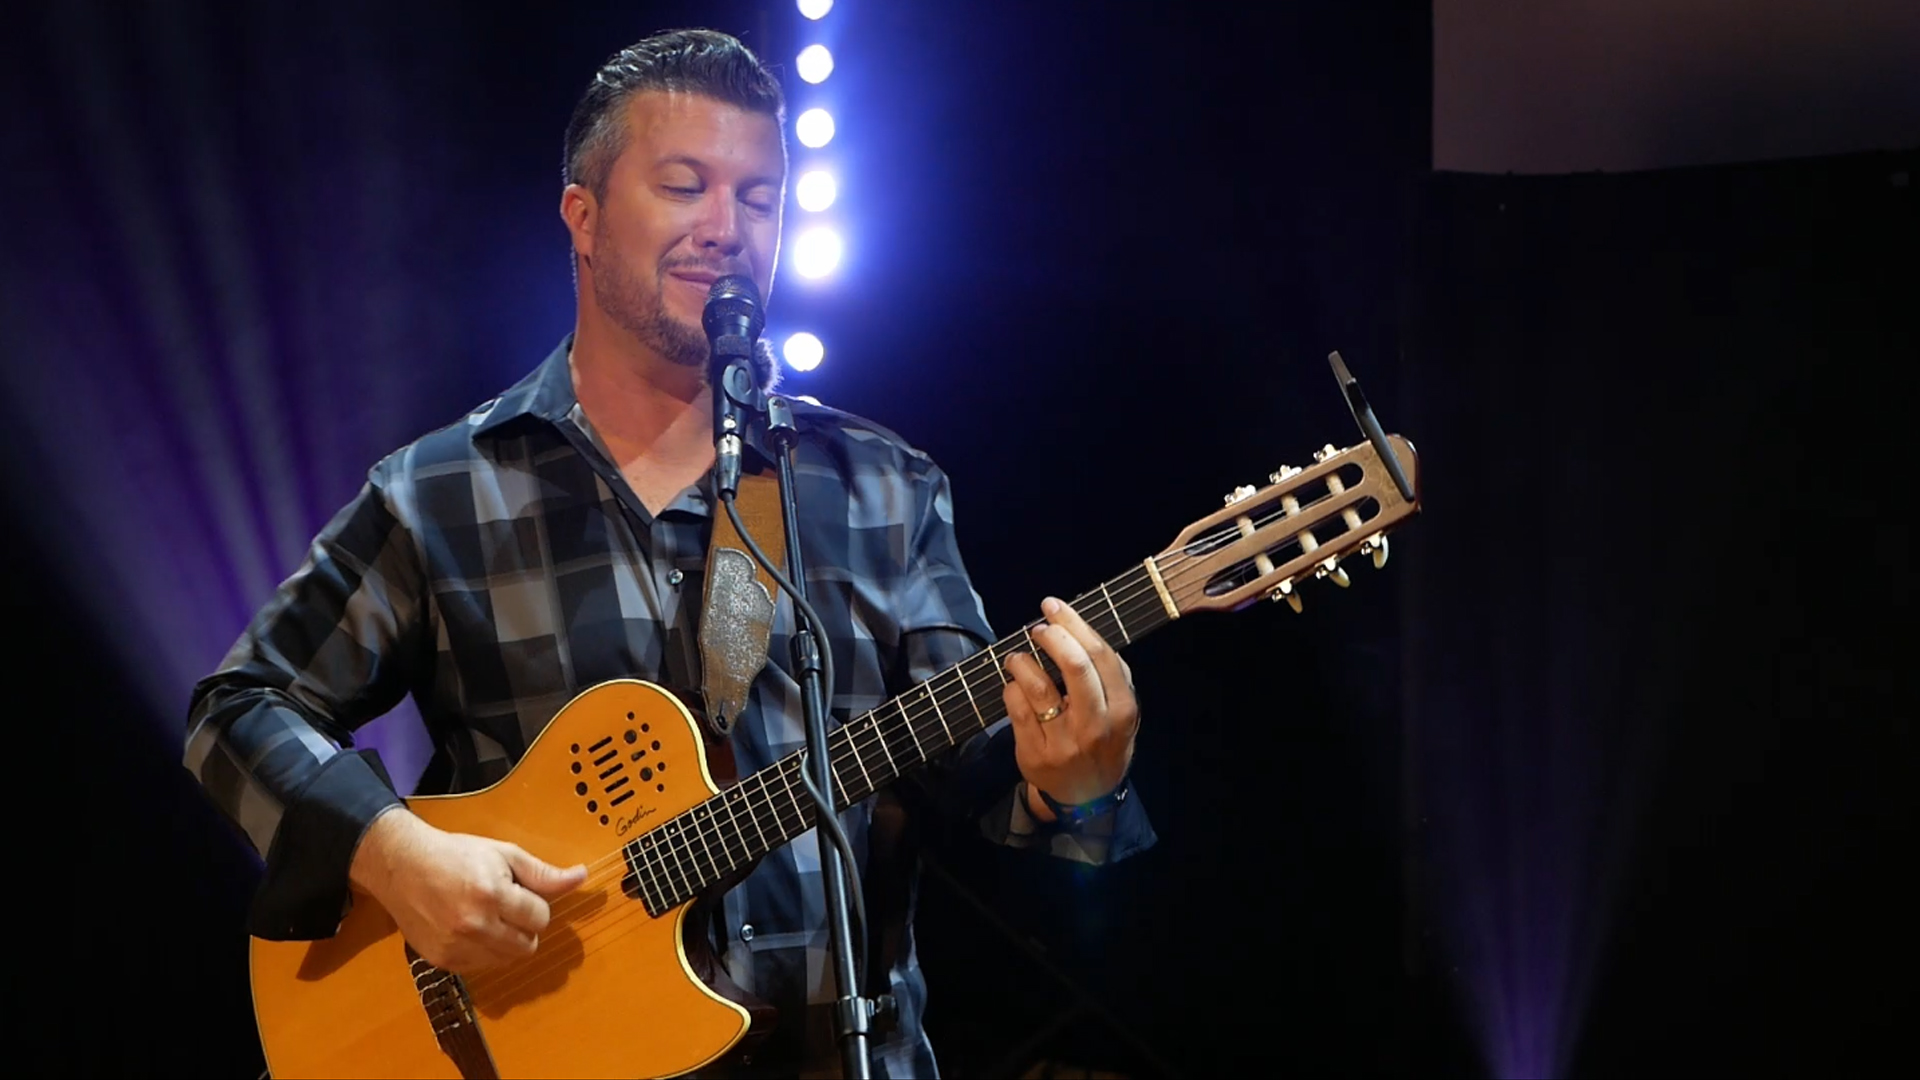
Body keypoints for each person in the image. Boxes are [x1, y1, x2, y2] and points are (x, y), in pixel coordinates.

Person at [184, 27, 1154, 1079]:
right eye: (684, 185)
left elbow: (985, 785)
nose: (726, 229)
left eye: (759, 198)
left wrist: (1075, 783)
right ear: (584, 220)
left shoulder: (881, 486)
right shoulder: (440, 491)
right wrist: (395, 854)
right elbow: (238, 712)